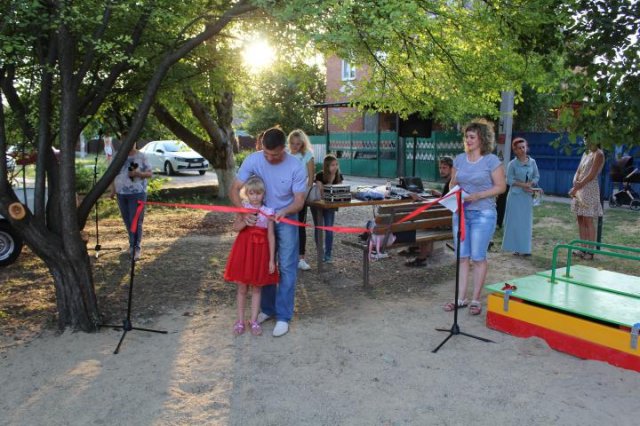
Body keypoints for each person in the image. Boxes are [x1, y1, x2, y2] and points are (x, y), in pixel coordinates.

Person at [229, 126, 307, 337]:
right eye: (266, 153)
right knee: (265, 264)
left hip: (286, 216)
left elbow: (299, 201)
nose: (269, 158)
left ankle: (283, 316)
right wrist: (244, 215)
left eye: (274, 154)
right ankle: (267, 309)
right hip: (261, 219)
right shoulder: (254, 159)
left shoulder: (296, 166)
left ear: (284, 149)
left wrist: (284, 211)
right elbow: (235, 189)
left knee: (288, 266)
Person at [443, 119, 506, 315]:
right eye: (466, 137)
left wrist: (478, 195)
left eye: (472, 137)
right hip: (461, 214)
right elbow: (453, 184)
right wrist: (454, 192)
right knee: (462, 257)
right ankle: (460, 298)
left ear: (482, 139)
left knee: (478, 257)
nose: (468, 140)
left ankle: (476, 299)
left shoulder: (491, 161)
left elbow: (501, 187)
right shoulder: (459, 159)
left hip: (483, 214)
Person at [224, 176, 278, 336]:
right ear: (246, 194)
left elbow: (271, 236)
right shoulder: (244, 208)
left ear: (263, 194)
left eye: (258, 193)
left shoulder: (268, 212)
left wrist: (271, 260)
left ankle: (253, 321)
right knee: (242, 287)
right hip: (244, 251)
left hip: (260, 253)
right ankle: (240, 321)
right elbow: (236, 227)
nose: (255, 197)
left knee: (257, 288)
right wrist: (245, 222)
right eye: (251, 193)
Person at [402, 156, 453, 267]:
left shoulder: (450, 184)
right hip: (450, 220)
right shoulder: (452, 182)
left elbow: (442, 205)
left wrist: (421, 199)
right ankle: (419, 249)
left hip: (449, 224)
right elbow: (447, 201)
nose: (441, 170)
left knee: (424, 222)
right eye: (440, 168)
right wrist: (440, 195)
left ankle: (422, 257)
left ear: (451, 169)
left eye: (444, 168)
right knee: (426, 220)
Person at [110, 134, 153, 260]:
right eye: (125, 141)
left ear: (135, 141)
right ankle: (132, 245)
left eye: (131, 141)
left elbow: (150, 173)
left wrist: (138, 173)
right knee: (128, 221)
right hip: (121, 193)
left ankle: (136, 248)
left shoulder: (141, 156)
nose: (129, 144)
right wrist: (113, 190)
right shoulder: (118, 155)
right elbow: (112, 173)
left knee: (135, 221)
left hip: (137, 193)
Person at [501, 137, 540, 256]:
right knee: (515, 223)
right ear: (515, 150)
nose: (522, 150)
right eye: (519, 148)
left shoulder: (532, 162)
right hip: (515, 196)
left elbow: (536, 176)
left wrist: (531, 183)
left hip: (527, 196)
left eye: (524, 147)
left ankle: (525, 249)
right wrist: (522, 184)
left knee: (526, 223)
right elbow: (509, 180)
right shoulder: (512, 164)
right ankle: (515, 248)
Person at [569, 140, 604, 260]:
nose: (586, 140)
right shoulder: (586, 153)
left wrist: (578, 186)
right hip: (580, 188)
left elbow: (592, 174)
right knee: (580, 218)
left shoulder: (599, 154)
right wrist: (575, 181)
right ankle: (582, 248)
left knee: (588, 219)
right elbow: (578, 170)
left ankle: (590, 251)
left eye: (588, 137)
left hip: (589, 188)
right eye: (585, 138)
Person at [287, 129, 315, 271]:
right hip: (286, 197)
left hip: (300, 196)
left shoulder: (307, 155)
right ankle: (287, 257)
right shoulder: (285, 155)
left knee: (300, 226)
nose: (295, 146)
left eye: (298, 144)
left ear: (302, 143)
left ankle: (301, 258)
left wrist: (304, 195)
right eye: (292, 143)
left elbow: (311, 178)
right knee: (286, 226)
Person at [310, 155, 344, 263]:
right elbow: (321, 192)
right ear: (326, 166)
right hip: (318, 206)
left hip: (330, 206)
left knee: (329, 229)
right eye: (332, 165)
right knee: (318, 228)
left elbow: (339, 192)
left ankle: (328, 254)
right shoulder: (320, 175)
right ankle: (320, 252)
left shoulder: (339, 176)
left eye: (336, 164)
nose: (335, 167)